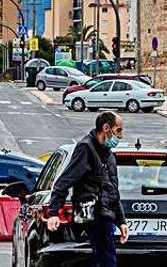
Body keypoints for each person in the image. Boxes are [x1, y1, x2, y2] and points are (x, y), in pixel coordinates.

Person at [46, 112, 129, 267]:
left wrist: (121, 220)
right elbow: (64, 181)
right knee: (106, 261)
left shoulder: (108, 153)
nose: (121, 136)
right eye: (118, 130)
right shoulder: (86, 148)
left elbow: (112, 190)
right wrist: (53, 212)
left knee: (106, 260)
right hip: (92, 215)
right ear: (106, 128)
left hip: (105, 215)